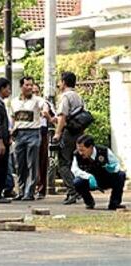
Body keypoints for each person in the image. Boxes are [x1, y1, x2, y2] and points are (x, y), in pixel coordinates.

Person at [10, 77, 49, 201]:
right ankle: (21, 191)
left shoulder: (37, 100)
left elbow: (45, 106)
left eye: (31, 85)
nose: (30, 87)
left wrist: (45, 113)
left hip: (33, 133)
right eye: (27, 85)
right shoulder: (14, 102)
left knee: (32, 164)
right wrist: (11, 131)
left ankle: (29, 192)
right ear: (21, 86)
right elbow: (12, 117)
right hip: (19, 134)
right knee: (19, 164)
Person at [53, 72, 84, 205]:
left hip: (68, 133)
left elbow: (62, 116)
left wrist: (58, 133)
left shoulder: (65, 97)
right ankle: (74, 191)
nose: (59, 84)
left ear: (64, 82)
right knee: (73, 162)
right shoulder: (78, 97)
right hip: (78, 133)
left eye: (60, 81)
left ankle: (73, 191)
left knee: (63, 164)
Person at [72, 135, 126, 210]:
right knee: (77, 182)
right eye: (79, 150)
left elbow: (116, 164)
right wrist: (89, 176)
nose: (80, 153)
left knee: (121, 175)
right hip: (89, 181)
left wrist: (112, 168)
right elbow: (75, 170)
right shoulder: (77, 155)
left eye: (82, 150)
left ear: (90, 147)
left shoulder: (104, 151)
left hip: (105, 178)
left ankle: (114, 203)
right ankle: (89, 202)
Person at [32, 83, 56, 199]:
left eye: (37, 92)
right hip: (29, 131)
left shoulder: (44, 103)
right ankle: (29, 188)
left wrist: (47, 116)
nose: (35, 94)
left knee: (42, 160)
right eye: (33, 92)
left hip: (42, 131)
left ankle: (41, 189)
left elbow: (52, 115)